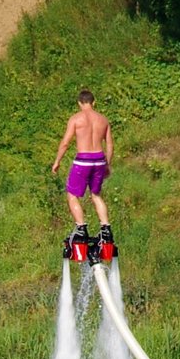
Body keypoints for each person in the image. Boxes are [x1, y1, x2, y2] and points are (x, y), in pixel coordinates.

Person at [52, 89, 114, 246]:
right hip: (99, 160)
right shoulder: (103, 119)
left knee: (72, 195)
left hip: (83, 160)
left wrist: (57, 161)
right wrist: (108, 164)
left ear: (79, 103)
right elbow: (110, 144)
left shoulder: (76, 119)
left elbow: (65, 142)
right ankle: (106, 229)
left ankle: (81, 227)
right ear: (94, 102)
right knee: (96, 195)